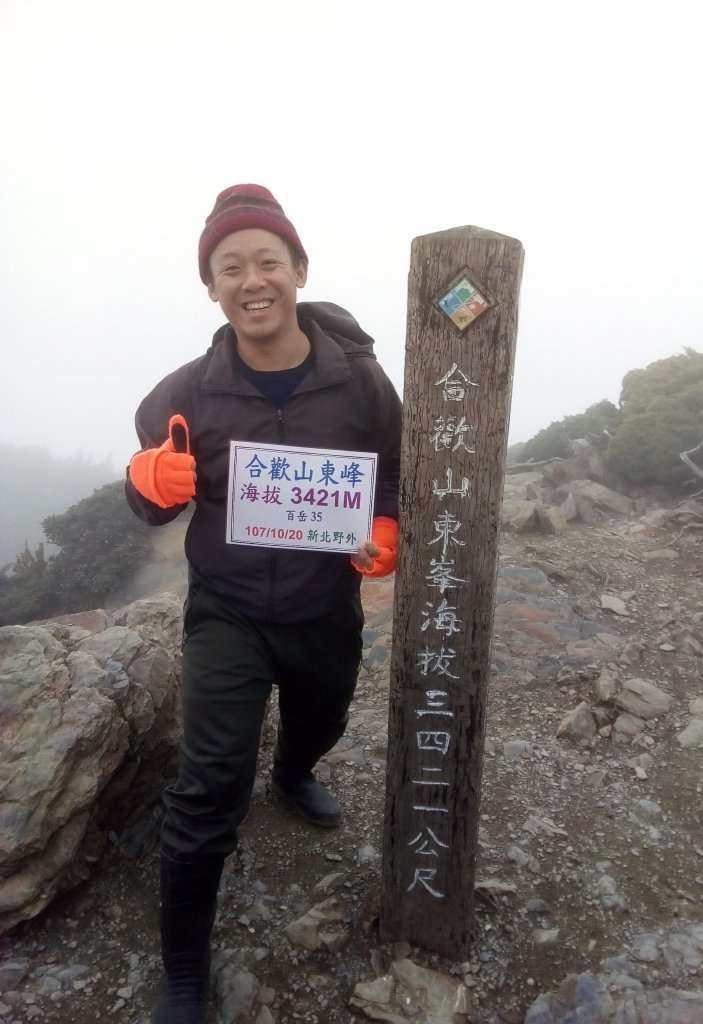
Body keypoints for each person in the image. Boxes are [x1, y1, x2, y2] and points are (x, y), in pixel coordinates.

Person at [125, 184, 402, 1024]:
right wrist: (149, 486)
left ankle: (295, 770)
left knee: (323, 716)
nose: (252, 279)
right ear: (211, 287)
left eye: (267, 261)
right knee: (209, 784)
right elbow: (148, 492)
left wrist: (384, 525)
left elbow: (392, 472)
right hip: (229, 608)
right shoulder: (184, 393)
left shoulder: (359, 384)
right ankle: (182, 974)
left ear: (299, 270)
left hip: (326, 604)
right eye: (229, 267)